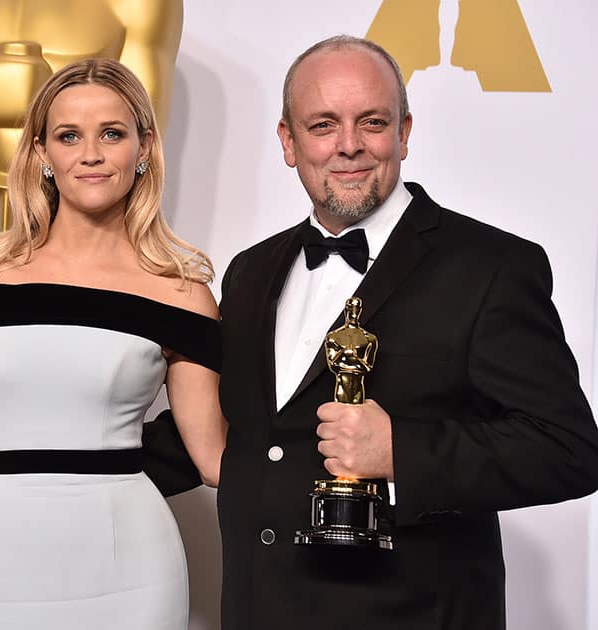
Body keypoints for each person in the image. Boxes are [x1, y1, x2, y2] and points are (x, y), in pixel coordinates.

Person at [135, 35, 598, 630]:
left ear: (404, 132)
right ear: (288, 142)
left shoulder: (490, 267)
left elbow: (567, 449)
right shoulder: (252, 271)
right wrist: (38, 460)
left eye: (371, 122)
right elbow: (233, 426)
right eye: (323, 124)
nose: (348, 145)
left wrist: (400, 453)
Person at [0, 58, 227, 630]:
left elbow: (213, 458)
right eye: (68, 136)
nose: (91, 153)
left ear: (144, 149)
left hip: (130, 562)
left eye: (112, 133)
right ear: (41, 154)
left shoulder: (181, 290)